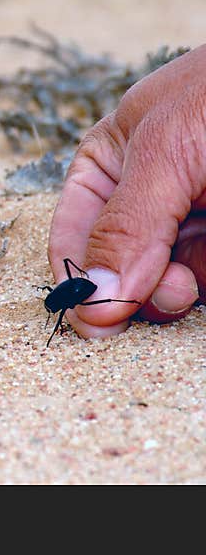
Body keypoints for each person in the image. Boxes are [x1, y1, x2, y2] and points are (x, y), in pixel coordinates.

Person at [48, 43, 206, 339]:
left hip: (92, 288)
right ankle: (126, 291)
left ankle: (122, 290)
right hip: (83, 286)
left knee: (123, 286)